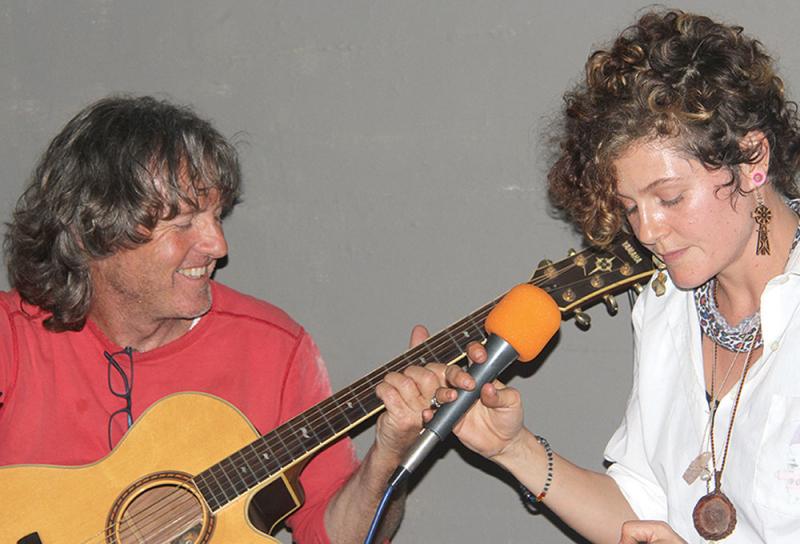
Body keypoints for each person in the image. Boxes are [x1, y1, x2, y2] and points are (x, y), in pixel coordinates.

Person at [406, 8, 800, 543]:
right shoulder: (665, 304)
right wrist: (513, 449)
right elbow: (641, 507)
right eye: (630, 207)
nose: (648, 231)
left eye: (669, 197)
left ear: (753, 158)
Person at [0, 95, 435, 543]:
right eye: (184, 223)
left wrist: (388, 458)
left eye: (216, 215)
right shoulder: (12, 336)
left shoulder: (274, 349)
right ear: (92, 233)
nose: (218, 245)